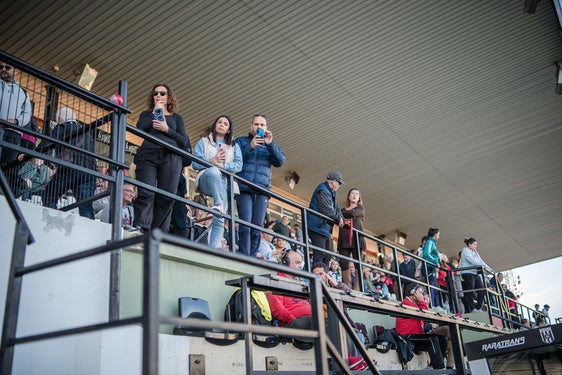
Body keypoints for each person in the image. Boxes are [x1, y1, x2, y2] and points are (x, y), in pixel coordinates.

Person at [133, 84, 190, 233]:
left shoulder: (177, 118)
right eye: (155, 93)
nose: (158, 95)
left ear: (168, 97)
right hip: (148, 154)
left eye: (162, 93)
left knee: (166, 197)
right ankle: (141, 227)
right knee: (146, 192)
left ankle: (157, 232)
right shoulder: (146, 114)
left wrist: (167, 129)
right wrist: (155, 112)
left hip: (171, 157)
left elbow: (183, 141)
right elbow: (140, 129)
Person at [235, 114, 286, 257]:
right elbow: (235, 159)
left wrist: (270, 144)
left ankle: (252, 256)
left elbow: (280, 161)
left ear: (266, 128)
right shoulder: (241, 141)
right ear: (251, 126)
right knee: (245, 224)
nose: (259, 127)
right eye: (256, 124)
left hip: (262, 190)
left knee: (257, 226)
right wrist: (250, 146)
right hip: (244, 188)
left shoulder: (269, 145)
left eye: (262, 125)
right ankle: (245, 255)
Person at [192, 115, 242, 249]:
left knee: (219, 218)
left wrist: (224, 167)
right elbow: (195, 163)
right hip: (207, 179)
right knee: (214, 171)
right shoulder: (204, 141)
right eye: (219, 122)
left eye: (225, 124)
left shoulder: (234, 145)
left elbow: (239, 165)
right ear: (215, 125)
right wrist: (212, 161)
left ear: (229, 129)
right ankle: (219, 203)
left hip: (225, 183)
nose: (221, 124)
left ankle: (214, 248)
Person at [40, 107, 96, 219]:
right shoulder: (87, 133)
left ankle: (51, 223)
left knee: (49, 196)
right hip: (90, 172)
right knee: (85, 205)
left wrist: (28, 154)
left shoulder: (62, 127)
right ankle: (89, 233)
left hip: (69, 168)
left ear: (60, 119)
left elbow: (45, 145)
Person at [396, 283, 454, 370]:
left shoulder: (415, 305)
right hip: (407, 337)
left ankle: (434, 365)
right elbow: (424, 315)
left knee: (442, 339)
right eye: (420, 293)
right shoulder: (406, 303)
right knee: (432, 339)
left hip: (416, 336)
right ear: (413, 292)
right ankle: (439, 368)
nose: (422, 295)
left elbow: (423, 321)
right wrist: (423, 302)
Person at [307, 171, 345, 264]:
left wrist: (342, 219)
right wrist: (338, 219)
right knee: (320, 255)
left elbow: (336, 207)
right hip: (317, 226)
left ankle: (323, 277)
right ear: (334, 182)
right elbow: (326, 210)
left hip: (324, 228)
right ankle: (316, 278)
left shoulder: (330, 192)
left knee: (327, 256)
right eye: (339, 183)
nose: (339, 185)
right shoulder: (323, 190)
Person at [267, 250, 311, 329]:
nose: (301, 266)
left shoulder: (300, 283)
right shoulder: (277, 281)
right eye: (297, 263)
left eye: (301, 263)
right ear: (286, 263)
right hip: (292, 323)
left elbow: (309, 302)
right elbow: (277, 309)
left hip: (310, 320)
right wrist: (293, 320)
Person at [0, 61, 31, 167]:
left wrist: (16, 121)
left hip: (14, 132)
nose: (3, 69)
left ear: (16, 71)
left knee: (6, 166)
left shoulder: (23, 92)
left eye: (7, 67)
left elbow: (27, 114)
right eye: (1, 67)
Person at [337, 188, 366, 291]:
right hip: (344, 238)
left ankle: (357, 289)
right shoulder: (342, 210)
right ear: (348, 196)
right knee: (343, 262)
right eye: (352, 193)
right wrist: (339, 215)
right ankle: (348, 287)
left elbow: (352, 214)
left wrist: (340, 216)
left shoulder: (360, 208)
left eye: (357, 194)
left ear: (359, 198)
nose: (354, 195)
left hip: (357, 238)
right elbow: (337, 218)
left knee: (358, 263)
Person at [459, 238, 493, 313]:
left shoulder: (475, 252)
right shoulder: (465, 250)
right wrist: (481, 266)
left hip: (474, 273)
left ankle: (477, 307)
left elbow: (481, 261)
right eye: (474, 244)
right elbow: (471, 260)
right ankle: (472, 307)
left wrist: (489, 269)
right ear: (469, 244)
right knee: (470, 290)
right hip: (467, 272)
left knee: (482, 291)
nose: (476, 246)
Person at [422, 228, 441, 308]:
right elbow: (426, 254)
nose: (439, 237)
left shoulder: (432, 243)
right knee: (431, 288)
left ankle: (435, 305)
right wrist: (435, 262)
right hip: (428, 268)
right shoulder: (429, 242)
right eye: (438, 235)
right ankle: (431, 305)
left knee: (434, 288)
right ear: (435, 234)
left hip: (432, 268)